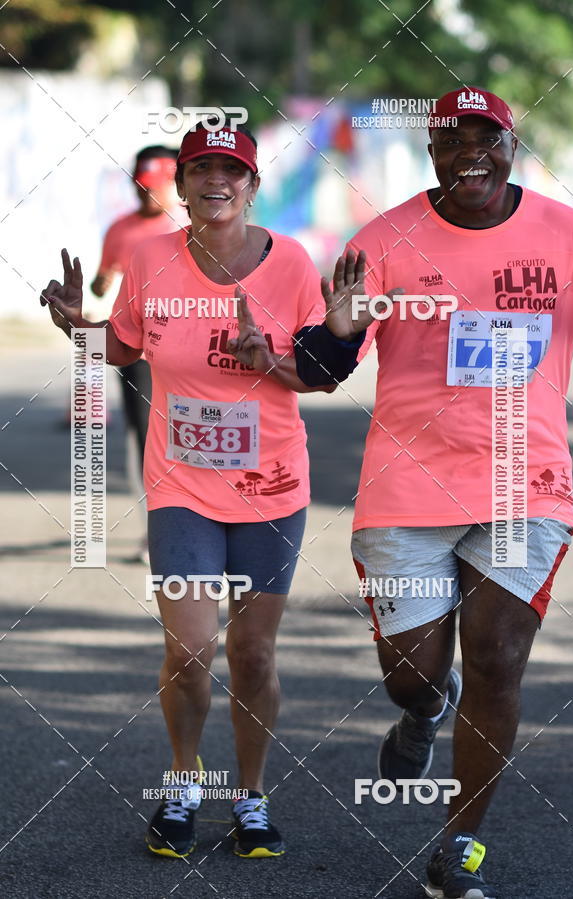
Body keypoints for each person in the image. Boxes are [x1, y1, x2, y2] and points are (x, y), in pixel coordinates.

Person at [294, 87, 573, 898]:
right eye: (453, 140)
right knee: (413, 677)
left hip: (522, 483)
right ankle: (426, 707)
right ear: (432, 152)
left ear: (510, 145)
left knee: (497, 662)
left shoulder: (570, 233)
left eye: (487, 138)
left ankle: (459, 844)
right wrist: (338, 326)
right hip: (406, 490)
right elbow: (323, 367)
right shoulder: (385, 239)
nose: (473, 152)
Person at [41, 119, 335, 861]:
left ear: (253, 184)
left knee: (254, 653)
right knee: (191, 645)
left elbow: (317, 373)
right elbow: (126, 343)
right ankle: (181, 782)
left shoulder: (292, 262)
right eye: (200, 169)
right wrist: (80, 328)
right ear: (180, 183)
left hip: (272, 484)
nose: (216, 182)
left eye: (231, 171)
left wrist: (266, 358)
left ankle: (252, 795)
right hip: (182, 485)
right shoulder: (149, 257)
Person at [91, 145, 186, 561]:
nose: (146, 196)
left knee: (192, 438)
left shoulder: (192, 227)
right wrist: (91, 290)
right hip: (137, 353)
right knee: (146, 438)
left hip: (191, 354)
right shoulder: (120, 230)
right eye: (140, 187)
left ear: (174, 184)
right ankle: (158, 530)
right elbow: (102, 278)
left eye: (155, 188)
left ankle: (210, 520)